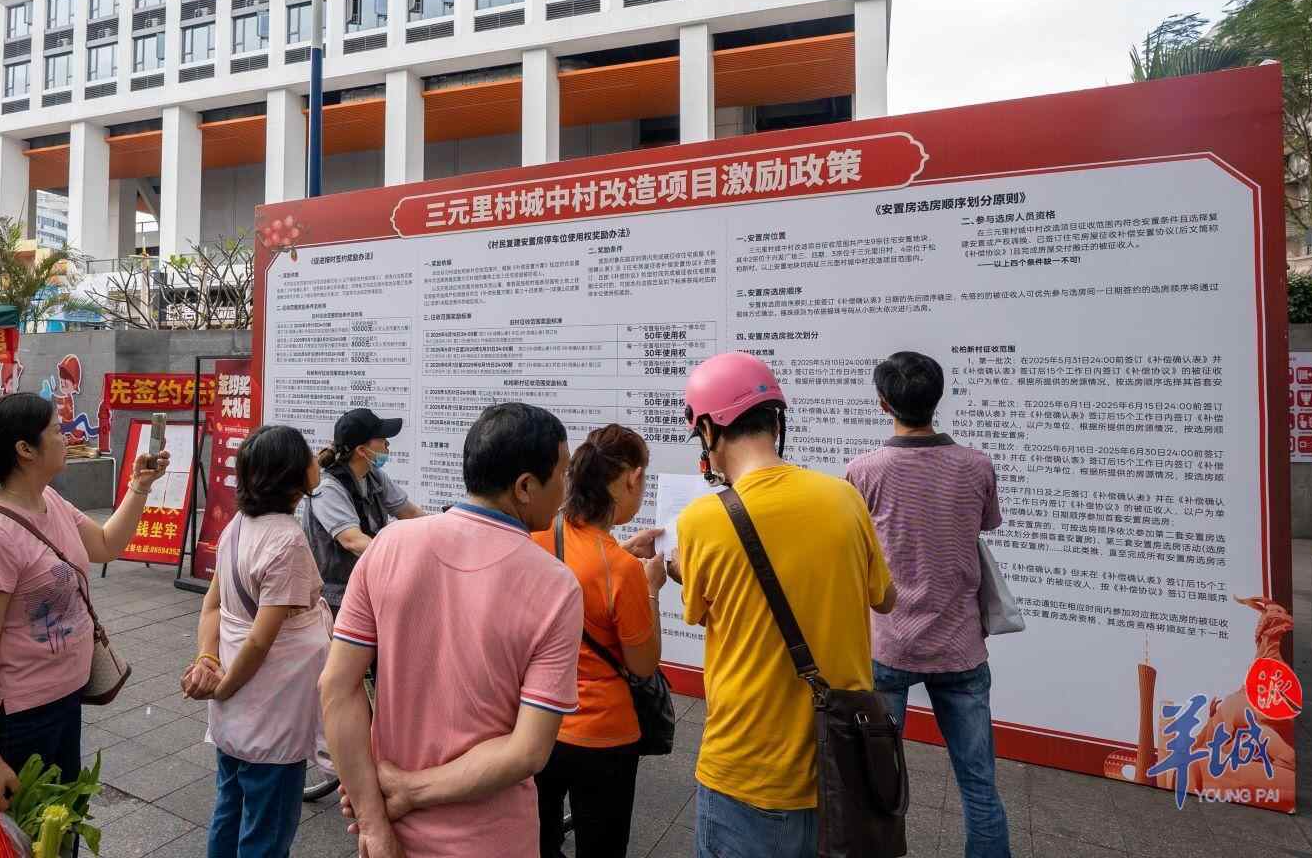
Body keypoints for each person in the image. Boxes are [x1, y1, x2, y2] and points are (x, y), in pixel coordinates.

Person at [320, 402, 583, 858]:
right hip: (492, 841)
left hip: (390, 831)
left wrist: (374, 823)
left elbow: (336, 688)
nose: (566, 488)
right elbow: (528, 751)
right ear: (525, 486)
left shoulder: (389, 545)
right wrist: (409, 790)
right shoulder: (556, 586)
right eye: (562, 473)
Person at [668, 352, 897, 858]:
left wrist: (681, 569)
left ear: (707, 429)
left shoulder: (701, 521)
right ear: (776, 422)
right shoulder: (844, 499)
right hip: (841, 765)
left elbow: (698, 609)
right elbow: (885, 599)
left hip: (747, 768)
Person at [0, 393, 170, 851]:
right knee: (9, 844)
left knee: (57, 835)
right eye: (58, 430)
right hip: (13, 724)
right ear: (25, 449)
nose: (68, 437)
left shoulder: (49, 501)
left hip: (62, 704)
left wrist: (139, 486)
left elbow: (105, 545)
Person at [846, 352, 1011, 858]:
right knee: (978, 783)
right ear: (938, 398)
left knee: (876, 782)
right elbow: (985, 523)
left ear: (883, 403)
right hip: (960, 645)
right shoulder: (976, 465)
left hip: (888, 643)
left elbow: (854, 545)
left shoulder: (863, 472)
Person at [183, 424, 331, 858]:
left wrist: (208, 662)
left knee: (229, 810)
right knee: (266, 831)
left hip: (235, 710)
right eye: (308, 456)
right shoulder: (287, 542)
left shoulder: (238, 525)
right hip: (271, 711)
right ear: (291, 477)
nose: (315, 461)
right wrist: (224, 687)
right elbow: (261, 642)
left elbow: (212, 606)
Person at [530, 425, 666, 858]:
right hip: (604, 735)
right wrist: (651, 588)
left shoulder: (540, 535)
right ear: (632, 478)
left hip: (538, 723)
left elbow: (574, 574)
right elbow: (643, 664)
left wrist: (622, 551)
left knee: (537, 840)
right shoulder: (621, 570)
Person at [303, 408, 426, 616]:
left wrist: (448, 526)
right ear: (361, 450)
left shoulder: (374, 476)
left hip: (364, 585)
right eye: (382, 439)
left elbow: (410, 513)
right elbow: (353, 541)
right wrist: (402, 559)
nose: (387, 444)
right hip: (334, 598)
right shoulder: (328, 488)